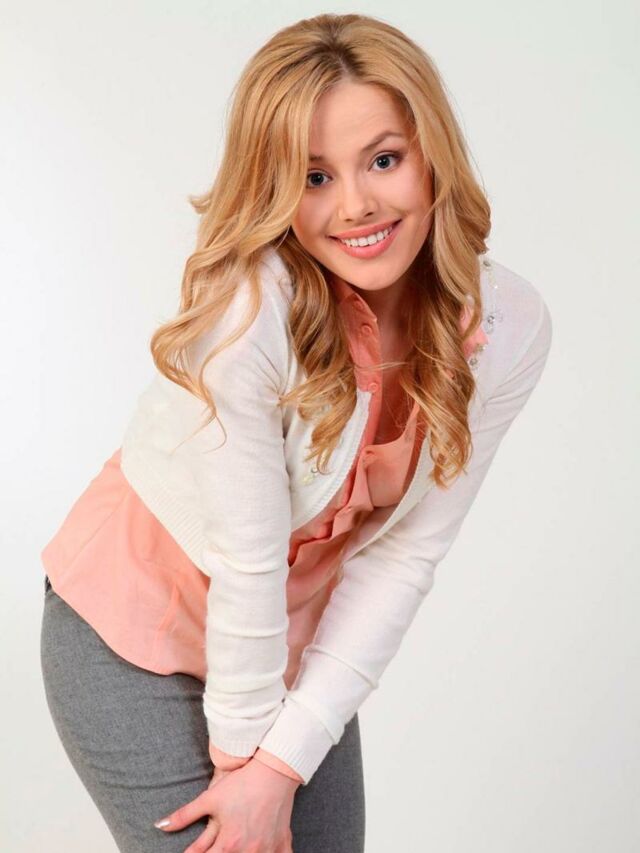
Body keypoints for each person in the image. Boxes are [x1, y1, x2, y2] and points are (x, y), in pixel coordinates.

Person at [39, 12, 552, 853]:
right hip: (133, 624)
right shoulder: (251, 311)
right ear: (273, 186)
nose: (356, 204)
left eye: (383, 159)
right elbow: (247, 552)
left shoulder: (507, 327)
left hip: (287, 643)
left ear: (433, 155)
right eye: (314, 176)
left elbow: (402, 557)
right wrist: (246, 766)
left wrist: (280, 764)